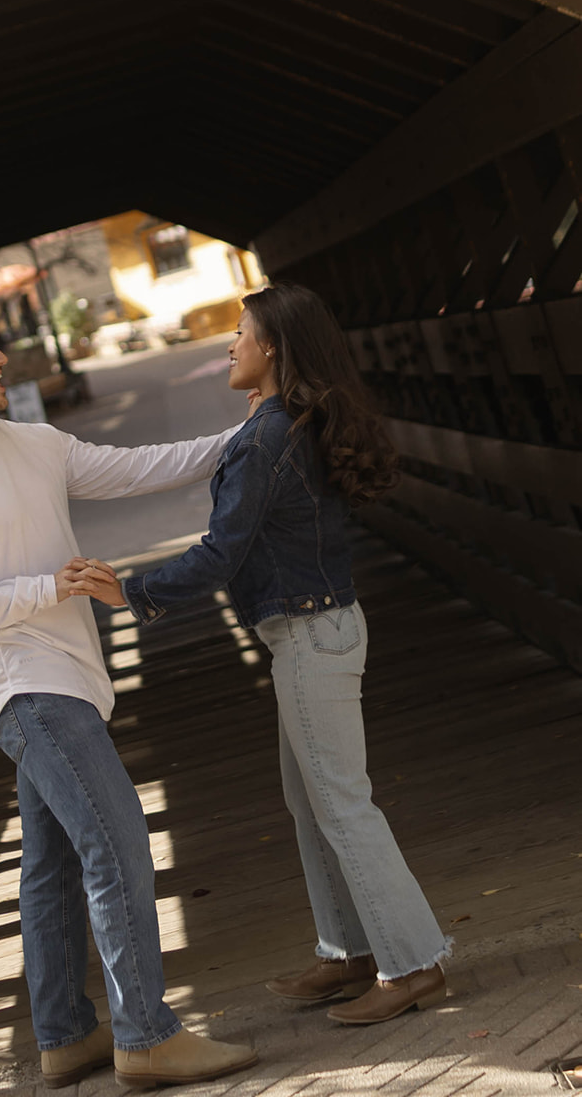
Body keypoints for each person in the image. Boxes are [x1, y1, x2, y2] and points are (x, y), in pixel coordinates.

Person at [0, 300, 259, 1090]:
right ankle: (146, 1035)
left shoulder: (35, 443)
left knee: (51, 866)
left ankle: (64, 1037)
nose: (1, 359)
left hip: (71, 676)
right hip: (23, 686)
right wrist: (38, 589)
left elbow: (139, 469)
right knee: (118, 840)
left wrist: (250, 435)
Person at [69, 283, 451, 1026]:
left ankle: (411, 963)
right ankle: (348, 950)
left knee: (341, 803)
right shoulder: (278, 426)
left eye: (239, 333)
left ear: (271, 345)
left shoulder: (267, 437)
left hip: (310, 636)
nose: (229, 345)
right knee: (310, 802)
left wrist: (133, 591)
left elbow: (221, 553)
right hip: (310, 631)